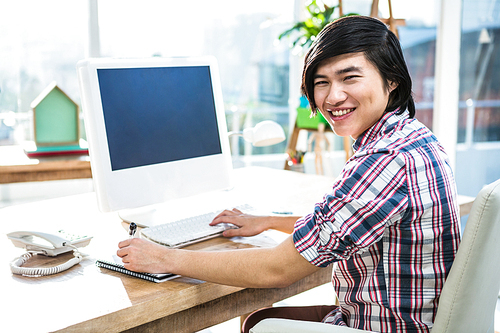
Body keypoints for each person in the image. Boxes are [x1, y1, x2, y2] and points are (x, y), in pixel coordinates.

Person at [117, 15, 461, 333]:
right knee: (261, 319)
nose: (332, 96)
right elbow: (346, 223)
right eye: (321, 82)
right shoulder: (413, 139)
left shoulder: (383, 160)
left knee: (259, 325)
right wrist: (267, 221)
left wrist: (164, 257)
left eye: (350, 77)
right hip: (413, 319)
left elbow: (277, 269)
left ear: (392, 82)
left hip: (384, 327)